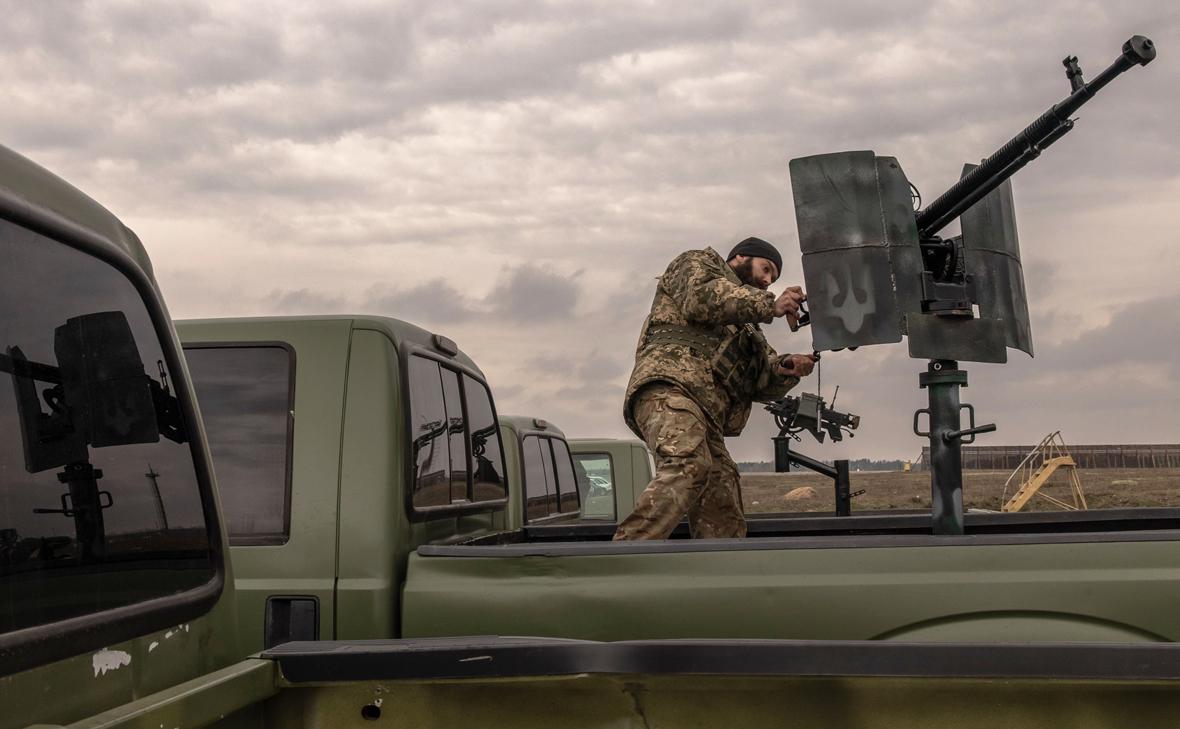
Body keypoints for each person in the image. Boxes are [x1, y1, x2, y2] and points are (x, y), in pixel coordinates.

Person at [613, 237, 815, 541]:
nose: (767, 279)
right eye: (766, 269)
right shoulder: (695, 263)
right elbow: (701, 299)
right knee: (689, 463)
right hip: (669, 389)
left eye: (773, 277)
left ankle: (723, 573)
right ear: (740, 257)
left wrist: (788, 367)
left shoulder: (747, 326)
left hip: (706, 414)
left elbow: (760, 379)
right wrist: (769, 304)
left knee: (721, 487)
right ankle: (623, 557)